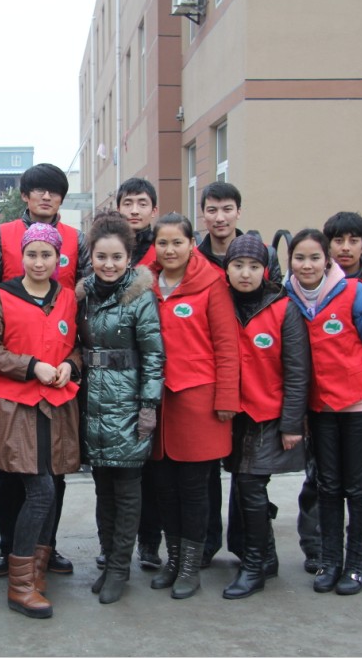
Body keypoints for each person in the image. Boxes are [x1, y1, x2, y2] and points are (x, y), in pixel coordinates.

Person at [0, 163, 89, 578]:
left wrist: (67, 364)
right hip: (16, 370)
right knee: (13, 473)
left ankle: (46, 549)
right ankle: (9, 549)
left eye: (54, 191)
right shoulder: (0, 236)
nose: (46, 197)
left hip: (57, 374)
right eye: (38, 190)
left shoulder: (77, 240)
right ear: (25, 195)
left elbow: (80, 300)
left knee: (54, 473)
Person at [284, 229, 362, 596]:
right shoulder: (286, 297)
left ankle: (356, 564)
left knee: (358, 487)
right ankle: (330, 561)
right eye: (299, 258)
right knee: (328, 486)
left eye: (314, 258)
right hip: (320, 407)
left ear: (327, 261)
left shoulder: (353, 293)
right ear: (290, 261)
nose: (307, 265)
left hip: (361, 404)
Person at [148, 213, 239, 600]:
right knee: (164, 488)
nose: (170, 250)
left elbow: (227, 346)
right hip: (157, 401)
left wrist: (227, 398)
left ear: (191, 244)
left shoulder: (212, 284)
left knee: (194, 489)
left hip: (199, 402)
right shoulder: (144, 283)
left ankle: (190, 566)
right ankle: (172, 560)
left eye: (177, 243)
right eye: (162, 243)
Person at [76, 211, 164, 604]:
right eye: (101, 257)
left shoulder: (140, 296)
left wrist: (148, 406)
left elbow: (153, 356)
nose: (108, 265)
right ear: (91, 257)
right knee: (103, 489)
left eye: (116, 257)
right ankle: (109, 558)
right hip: (93, 404)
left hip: (127, 406)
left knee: (127, 490)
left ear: (129, 257)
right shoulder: (83, 297)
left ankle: (119, 569)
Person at [195, 181, 282, 568]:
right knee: (206, 470)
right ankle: (206, 541)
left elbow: (274, 303)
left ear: (239, 212)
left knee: (248, 473)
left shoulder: (261, 253)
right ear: (203, 213)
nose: (220, 217)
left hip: (254, 378)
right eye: (212, 209)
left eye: (227, 209)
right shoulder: (196, 257)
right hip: (208, 376)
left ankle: (250, 546)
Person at [221, 235, 310, 599]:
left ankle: (254, 566)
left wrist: (291, 423)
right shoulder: (220, 302)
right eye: (238, 265)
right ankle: (265, 556)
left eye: (254, 266)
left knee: (250, 485)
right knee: (244, 486)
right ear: (226, 269)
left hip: (267, 414)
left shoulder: (283, 308)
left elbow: (297, 371)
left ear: (266, 270)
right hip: (230, 413)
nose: (246, 273)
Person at [110, 177, 162, 573]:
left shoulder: (164, 246)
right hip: (114, 378)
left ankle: (150, 542)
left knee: (154, 471)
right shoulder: (107, 247)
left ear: (153, 209)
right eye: (128, 202)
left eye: (142, 203)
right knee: (116, 473)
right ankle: (113, 548)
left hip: (154, 368)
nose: (134, 210)